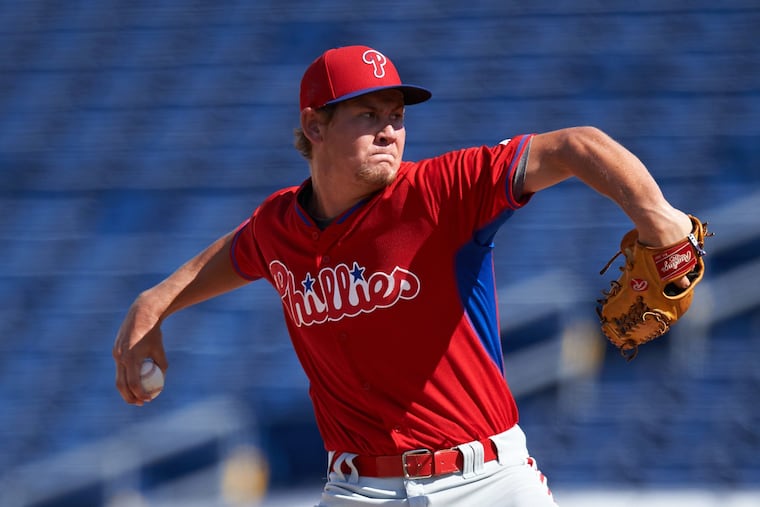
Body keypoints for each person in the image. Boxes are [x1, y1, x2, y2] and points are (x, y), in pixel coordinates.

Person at [113, 45, 693, 506]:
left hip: (485, 482)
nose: (390, 129)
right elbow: (241, 250)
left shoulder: (443, 190)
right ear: (314, 127)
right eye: (368, 115)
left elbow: (575, 145)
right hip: (357, 488)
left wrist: (660, 221)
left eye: (397, 115)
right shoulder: (278, 226)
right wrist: (153, 302)